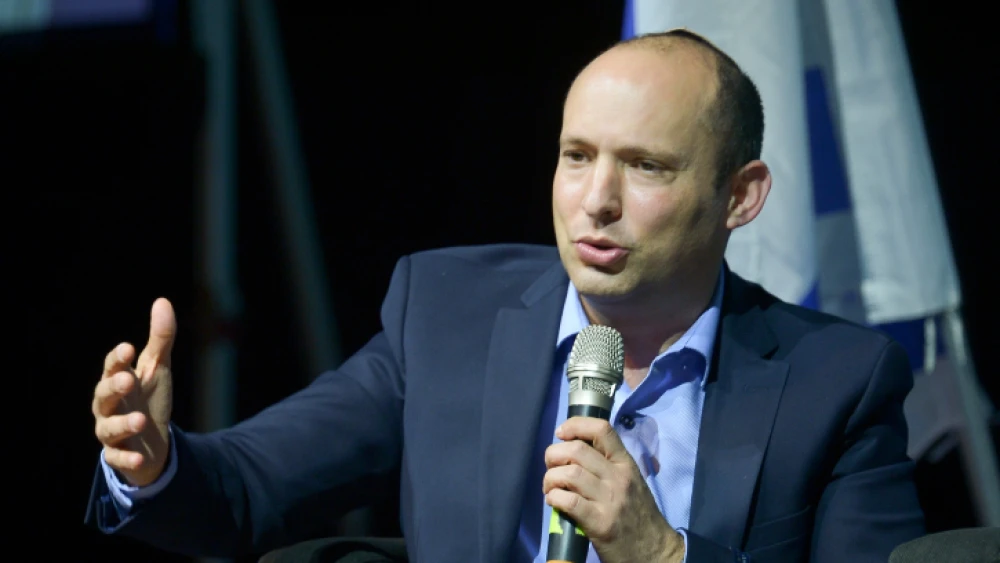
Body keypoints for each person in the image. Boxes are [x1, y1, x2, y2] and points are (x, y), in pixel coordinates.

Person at [86, 29, 925, 562]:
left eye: (645, 167)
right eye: (577, 156)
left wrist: (663, 555)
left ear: (740, 196)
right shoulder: (445, 313)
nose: (596, 200)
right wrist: (153, 464)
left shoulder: (839, 383)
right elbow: (246, 488)